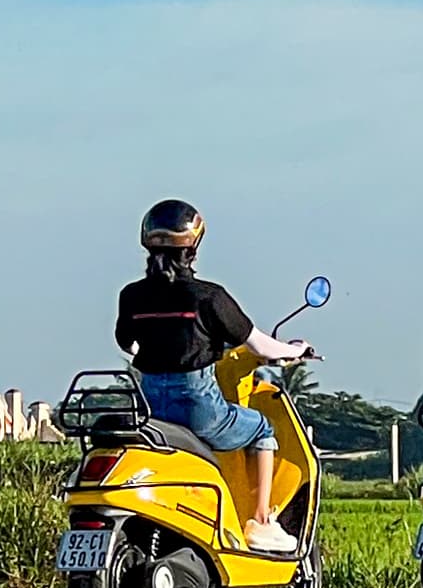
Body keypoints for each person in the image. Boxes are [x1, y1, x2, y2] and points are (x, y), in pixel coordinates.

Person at [117, 201, 312, 554]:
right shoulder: (209, 297)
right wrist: (295, 350)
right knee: (263, 429)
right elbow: (261, 346)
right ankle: (262, 522)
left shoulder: (131, 296)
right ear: (193, 247)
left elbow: (127, 344)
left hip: (149, 408)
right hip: (198, 408)